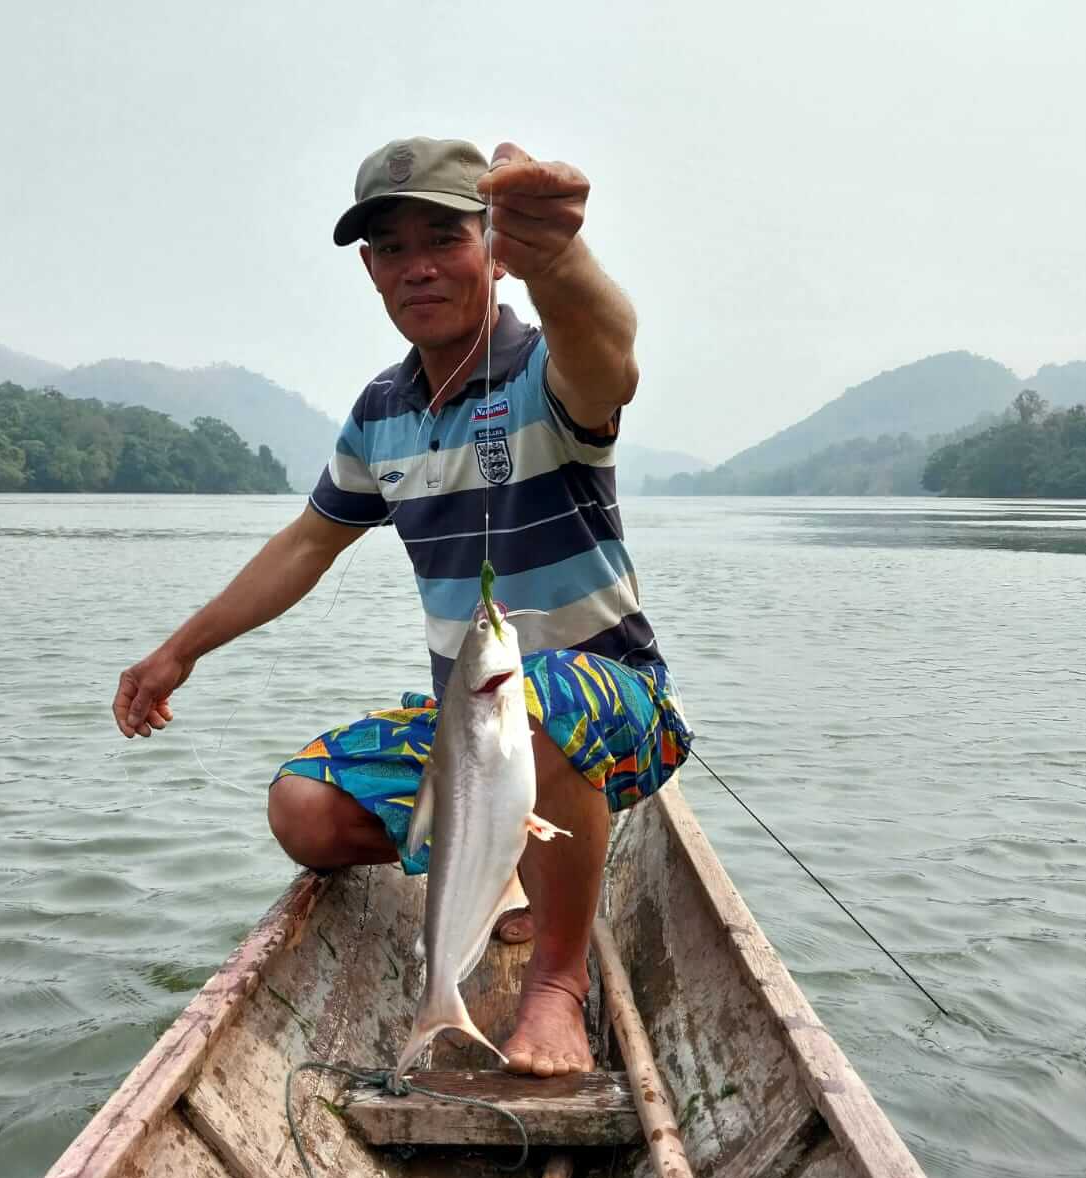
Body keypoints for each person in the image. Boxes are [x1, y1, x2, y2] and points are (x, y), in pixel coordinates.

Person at [113, 136, 692, 1078]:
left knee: (538, 698)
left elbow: (609, 360)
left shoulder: (549, 369)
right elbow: (307, 542)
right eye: (390, 246)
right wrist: (179, 651)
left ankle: (557, 983)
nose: (416, 264)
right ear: (371, 269)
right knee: (303, 811)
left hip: (617, 706)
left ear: (494, 247)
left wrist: (566, 266)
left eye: (444, 236)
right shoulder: (380, 412)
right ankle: (499, 860)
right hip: (469, 719)